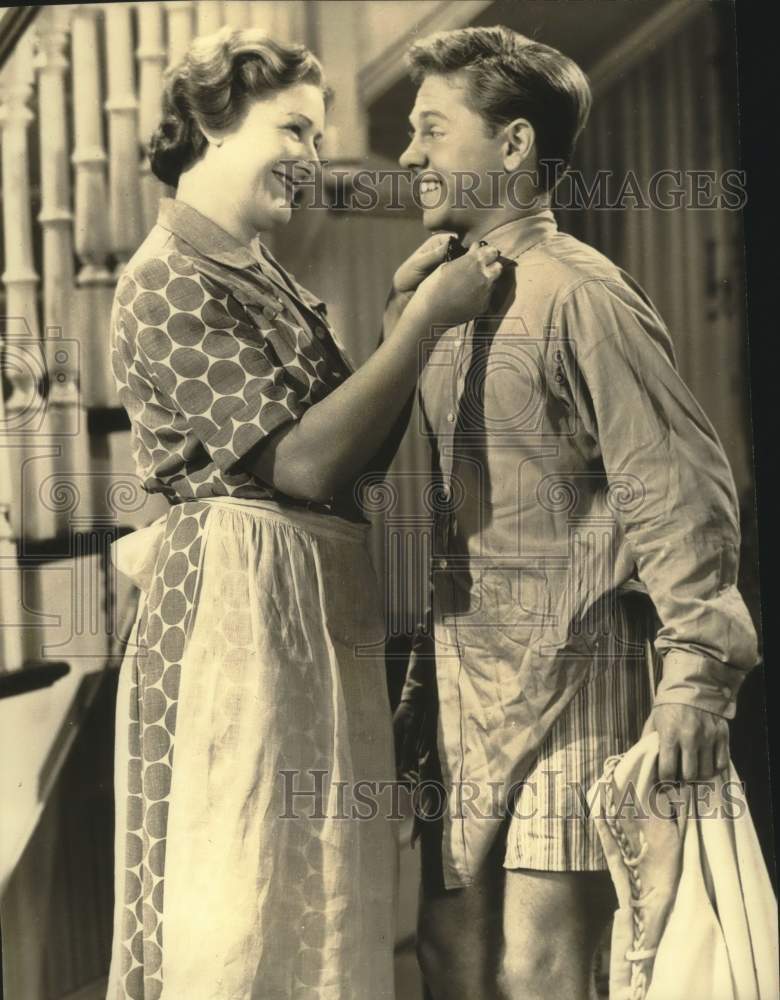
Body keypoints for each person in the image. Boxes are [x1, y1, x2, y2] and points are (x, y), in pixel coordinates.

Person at [106, 26, 502, 1000]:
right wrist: (418, 327)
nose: (312, 160)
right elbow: (305, 459)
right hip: (231, 618)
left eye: (318, 137)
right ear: (210, 121)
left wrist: (387, 335)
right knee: (237, 904)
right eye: (293, 129)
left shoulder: (265, 271)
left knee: (317, 902)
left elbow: (355, 462)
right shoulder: (164, 276)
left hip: (310, 602)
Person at [391, 25, 759, 1000]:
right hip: (468, 683)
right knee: (449, 957)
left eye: (432, 128)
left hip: (576, 671)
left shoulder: (582, 294)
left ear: (514, 146)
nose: (409, 154)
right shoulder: (439, 298)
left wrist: (697, 675)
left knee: (538, 969)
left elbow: (674, 485)